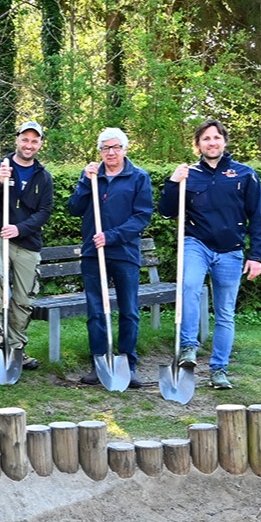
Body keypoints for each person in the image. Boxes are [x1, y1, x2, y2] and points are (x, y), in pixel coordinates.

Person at [159, 119, 261, 391]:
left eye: (216, 137)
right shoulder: (188, 174)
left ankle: (219, 369)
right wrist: (173, 183)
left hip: (231, 251)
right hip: (196, 243)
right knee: (189, 287)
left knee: (225, 313)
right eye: (206, 138)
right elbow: (166, 211)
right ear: (197, 144)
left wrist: (256, 256)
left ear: (224, 142)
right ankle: (188, 348)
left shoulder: (244, 174)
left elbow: (259, 217)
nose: (212, 142)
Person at [66, 127, 154, 387]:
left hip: (124, 252)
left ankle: (128, 363)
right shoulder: (93, 177)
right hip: (93, 253)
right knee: (96, 311)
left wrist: (113, 236)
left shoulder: (138, 177)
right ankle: (100, 362)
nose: (111, 152)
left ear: (125, 149)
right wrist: (84, 181)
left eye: (116, 147)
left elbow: (142, 216)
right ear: (100, 151)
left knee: (129, 310)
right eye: (105, 148)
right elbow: (74, 208)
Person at [0, 120, 54, 371]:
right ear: (17, 139)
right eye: (25, 139)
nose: (29, 145)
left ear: (40, 144)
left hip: (27, 242)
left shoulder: (44, 177)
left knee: (23, 299)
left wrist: (20, 228)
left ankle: (17, 347)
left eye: (34, 141)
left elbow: (44, 211)